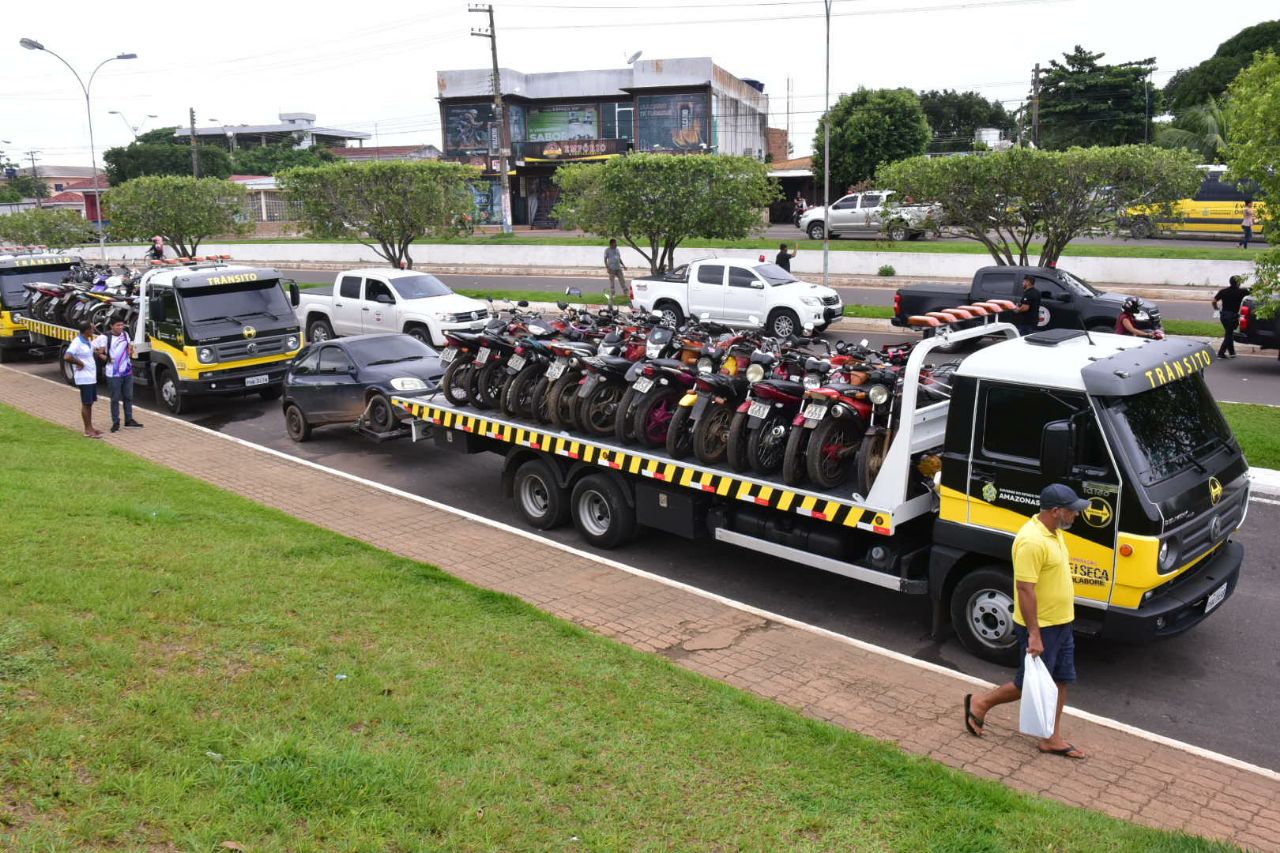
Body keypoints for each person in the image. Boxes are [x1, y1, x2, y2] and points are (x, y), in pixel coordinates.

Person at [963, 484, 1088, 760]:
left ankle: (1051, 738)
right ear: (1055, 511)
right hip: (1042, 626)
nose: (1076, 515)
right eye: (1072, 510)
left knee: (1061, 679)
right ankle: (980, 703)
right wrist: (1034, 633)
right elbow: (1024, 589)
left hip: (1062, 622)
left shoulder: (1054, 533)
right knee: (1027, 685)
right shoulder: (1031, 541)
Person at [96, 318, 143, 432]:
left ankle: (129, 420)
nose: (121, 327)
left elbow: (129, 346)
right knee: (115, 398)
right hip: (113, 373)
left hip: (127, 371)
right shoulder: (104, 337)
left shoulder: (125, 334)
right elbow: (98, 352)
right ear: (111, 326)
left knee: (128, 397)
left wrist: (130, 350)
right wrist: (107, 358)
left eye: (122, 325)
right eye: (118, 325)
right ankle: (115, 422)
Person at [64, 321, 103, 439]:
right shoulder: (77, 342)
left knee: (89, 403)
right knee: (86, 403)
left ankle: (91, 427)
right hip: (84, 378)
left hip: (90, 377)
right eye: (91, 329)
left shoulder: (87, 340)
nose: (93, 331)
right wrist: (79, 363)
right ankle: (87, 430)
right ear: (86, 331)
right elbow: (67, 356)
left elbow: (101, 338)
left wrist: (96, 330)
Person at [1213, 275, 1250, 359]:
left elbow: (1214, 301)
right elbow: (1253, 293)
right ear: (1238, 283)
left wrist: (1216, 309)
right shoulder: (1242, 292)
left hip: (1223, 315)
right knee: (1229, 335)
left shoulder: (1223, 291)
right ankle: (1221, 353)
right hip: (1232, 316)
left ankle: (1232, 352)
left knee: (1229, 333)